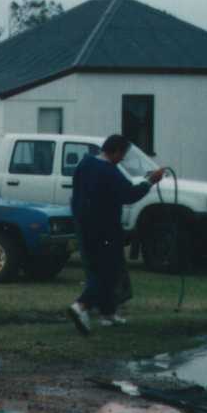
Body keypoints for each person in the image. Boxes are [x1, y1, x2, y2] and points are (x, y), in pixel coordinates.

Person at [67, 134, 167, 334]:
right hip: (105, 229)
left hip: (83, 226)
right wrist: (150, 181)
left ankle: (108, 314)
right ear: (115, 151)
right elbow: (129, 194)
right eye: (122, 155)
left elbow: (77, 194)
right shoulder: (109, 172)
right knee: (108, 272)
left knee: (96, 268)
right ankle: (80, 306)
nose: (122, 159)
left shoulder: (85, 164)